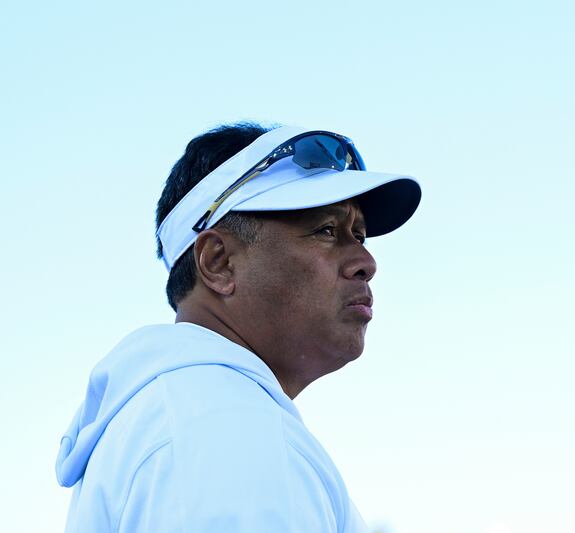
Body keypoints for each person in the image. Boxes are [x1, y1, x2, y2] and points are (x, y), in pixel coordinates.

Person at [54, 122, 422, 532]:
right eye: (326, 231)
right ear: (218, 262)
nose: (366, 262)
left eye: (359, 235)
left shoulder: (176, 415)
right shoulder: (229, 430)